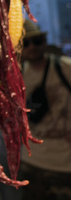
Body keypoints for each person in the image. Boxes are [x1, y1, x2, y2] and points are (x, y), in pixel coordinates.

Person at [20, 19, 71, 199]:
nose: (32, 47)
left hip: (64, 162)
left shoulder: (64, 67)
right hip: (31, 161)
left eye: (37, 41)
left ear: (44, 42)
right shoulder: (18, 74)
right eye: (26, 43)